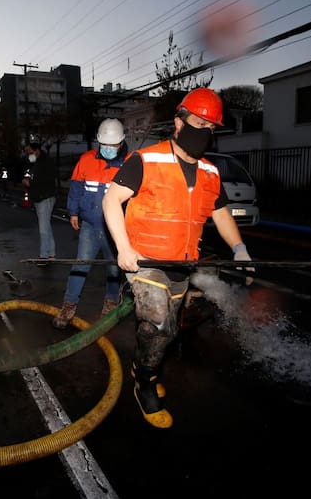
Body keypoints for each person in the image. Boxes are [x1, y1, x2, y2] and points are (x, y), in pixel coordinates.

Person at [101, 87, 255, 429]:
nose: (204, 131)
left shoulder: (211, 174)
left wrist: (240, 249)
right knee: (159, 325)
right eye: (198, 122)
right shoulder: (146, 160)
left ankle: (144, 361)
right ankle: (145, 382)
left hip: (183, 264)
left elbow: (221, 214)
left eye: (210, 127)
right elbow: (111, 201)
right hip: (144, 262)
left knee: (168, 328)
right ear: (178, 122)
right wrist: (124, 249)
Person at [52, 119, 129, 329]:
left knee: (114, 269)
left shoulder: (130, 163)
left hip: (116, 230)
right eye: (105, 144)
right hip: (89, 226)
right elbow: (76, 188)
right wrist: (73, 212)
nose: (109, 149)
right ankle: (69, 305)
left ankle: (111, 303)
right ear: (99, 142)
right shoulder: (86, 159)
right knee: (80, 265)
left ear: (121, 143)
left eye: (113, 145)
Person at [21, 141, 57, 264]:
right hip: (39, 196)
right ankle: (51, 253)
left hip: (45, 197)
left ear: (36, 150)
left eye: (29, 151)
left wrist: (30, 182)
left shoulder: (45, 162)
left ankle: (44, 256)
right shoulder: (34, 162)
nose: (28, 154)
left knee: (43, 228)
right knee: (46, 226)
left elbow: (47, 179)